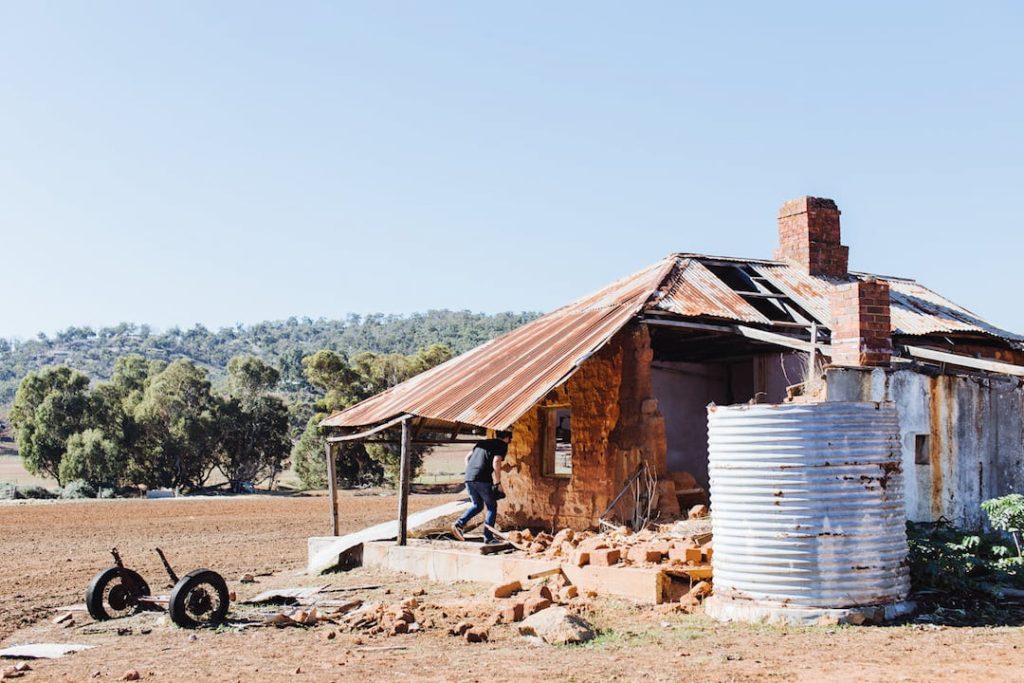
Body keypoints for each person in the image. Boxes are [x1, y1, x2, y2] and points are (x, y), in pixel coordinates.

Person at [451, 430, 512, 543]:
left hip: (469, 478)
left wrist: (472, 472)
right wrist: (498, 483)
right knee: (492, 507)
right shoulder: (502, 445)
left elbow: (467, 458)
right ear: (507, 438)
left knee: (477, 505)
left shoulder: (481, 443)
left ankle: (459, 524)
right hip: (483, 479)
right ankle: (488, 538)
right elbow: (496, 461)